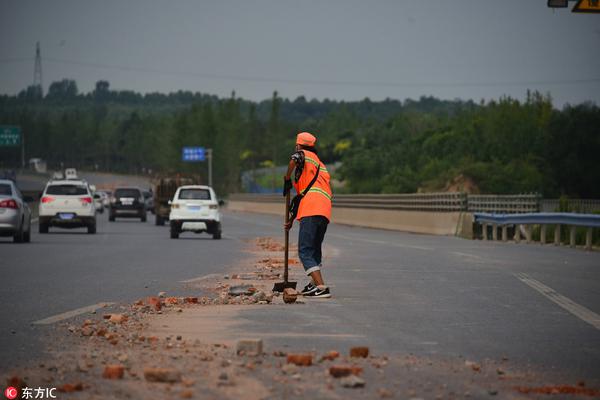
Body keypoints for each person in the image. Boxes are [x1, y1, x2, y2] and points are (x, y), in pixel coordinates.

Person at [283, 132, 333, 298]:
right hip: (324, 210)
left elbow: (293, 159)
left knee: (305, 251)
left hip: (311, 209)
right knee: (314, 249)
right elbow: (300, 199)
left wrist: (287, 178)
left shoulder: (303, 155)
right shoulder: (319, 164)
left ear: (298, 145)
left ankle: (321, 286)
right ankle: (314, 285)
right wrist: (290, 221)